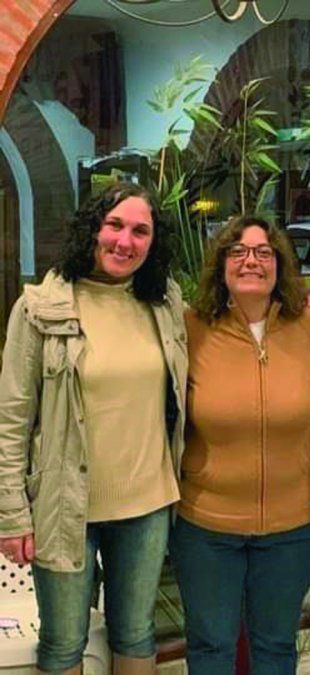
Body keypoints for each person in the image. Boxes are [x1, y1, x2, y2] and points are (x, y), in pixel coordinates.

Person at [0, 183, 187, 675]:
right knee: (64, 642)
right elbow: (10, 421)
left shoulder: (164, 302)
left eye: (140, 231)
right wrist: (13, 515)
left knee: (136, 633)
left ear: (153, 242)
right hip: (64, 507)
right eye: (115, 225)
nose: (125, 241)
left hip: (147, 503)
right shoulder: (39, 308)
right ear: (92, 230)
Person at [169, 215, 310, 674]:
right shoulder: (190, 328)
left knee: (276, 646)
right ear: (221, 264)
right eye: (238, 252)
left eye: (264, 252)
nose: (251, 261)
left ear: (279, 264)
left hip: (294, 524)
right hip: (206, 525)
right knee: (210, 646)